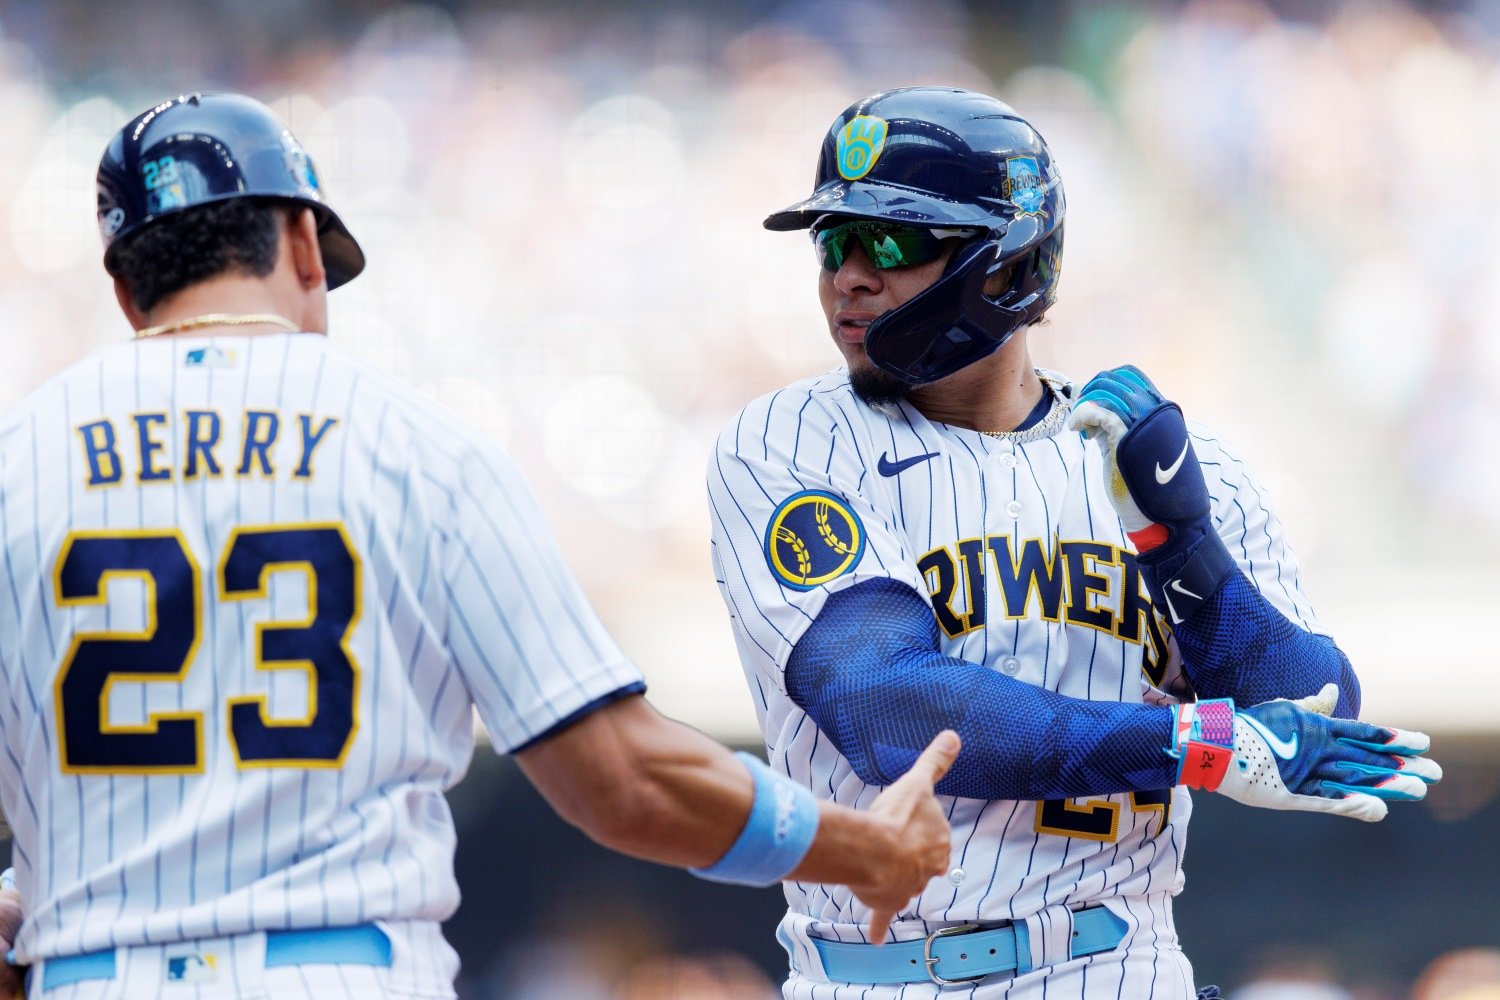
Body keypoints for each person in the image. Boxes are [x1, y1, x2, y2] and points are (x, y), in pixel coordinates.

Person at [0, 92, 964, 1000]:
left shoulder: (17, 464)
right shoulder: (415, 446)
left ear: (126, 287)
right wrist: (857, 850)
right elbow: (620, 778)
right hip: (342, 971)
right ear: (301, 243)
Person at [705, 86, 1443, 999]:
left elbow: (1309, 711)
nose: (848, 276)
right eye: (833, 244)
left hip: (1120, 964)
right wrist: (1194, 742)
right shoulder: (788, 441)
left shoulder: (1172, 462)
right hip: (877, 975)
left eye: (890, 245)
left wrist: (1181, 545)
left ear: (1007, 263)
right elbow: (884, 701)